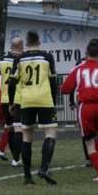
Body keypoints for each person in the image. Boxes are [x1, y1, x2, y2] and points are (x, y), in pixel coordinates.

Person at [61, 40, 98, 181]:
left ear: (85, 53)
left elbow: (64, 89)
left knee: (89, 142)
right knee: (95, 136)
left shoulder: (79, 69)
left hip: (86, 107)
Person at [7, 29, 59, 184]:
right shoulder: (47, 57)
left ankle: (27, 176)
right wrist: (53, 101)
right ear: (39, 42)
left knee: (27, 136)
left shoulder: (20, 59)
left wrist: (11, 103)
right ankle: (43, 168)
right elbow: (53, 81)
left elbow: (12, 83)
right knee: (50, 133)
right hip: (44, 99)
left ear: (27, 43)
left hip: (27, 100)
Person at [70, 38, 98, 167]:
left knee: (85, 130)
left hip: (84, 102)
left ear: (87, 51)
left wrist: (71, 100)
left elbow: (72, 84)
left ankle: (89, 158)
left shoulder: (80, 63)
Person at [0, 37, 24, 167]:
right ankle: (16, 159)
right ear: (22, 47)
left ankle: (15, 158)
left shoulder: (2, 61)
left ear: (11, 47)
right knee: (18, 128)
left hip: (5, 99)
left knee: (10, 128)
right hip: (19, 98)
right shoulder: (23, 60)